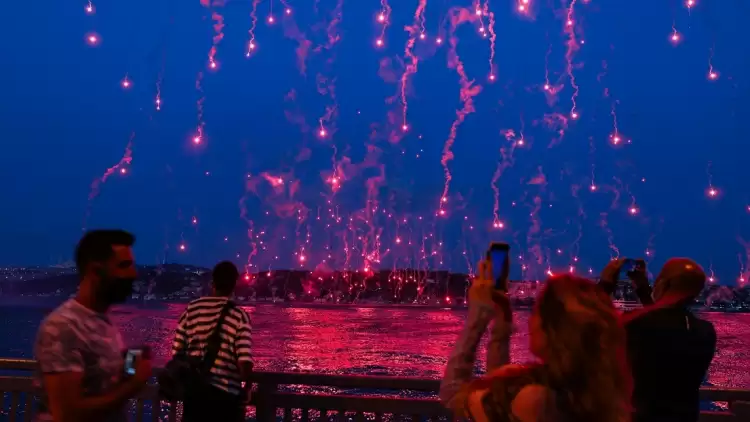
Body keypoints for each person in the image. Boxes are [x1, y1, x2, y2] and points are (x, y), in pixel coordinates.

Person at [440, 261, 632, 422]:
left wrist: (477, 318)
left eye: (537, 311)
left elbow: (454, 396)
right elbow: (499, 404)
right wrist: (502, 324)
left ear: (553, 328)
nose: (531, 320)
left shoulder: (537, 400)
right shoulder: (593, 390)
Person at [34, 230, 152, 422]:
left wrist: (128, 365)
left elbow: (102, 385)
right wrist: (135, 384)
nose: (133, 273)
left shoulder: (102, 322)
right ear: (95, 271)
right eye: (124, 265)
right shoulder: (64, 326)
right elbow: (67, 414)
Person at [600, 257, 717, 422]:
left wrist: (605, 286)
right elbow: (662, 323)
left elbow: (585, 328)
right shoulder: (705, 331)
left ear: (663, 284)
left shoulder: (633, 324)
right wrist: (643, 291)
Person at [172, 261, 253, 422]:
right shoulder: (239, 316)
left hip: (194, 397)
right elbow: (244, 362)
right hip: (225, 401)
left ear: (212, 283)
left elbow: (176, 352)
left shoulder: (192, 309)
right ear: (234, 285)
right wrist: (248, 387)